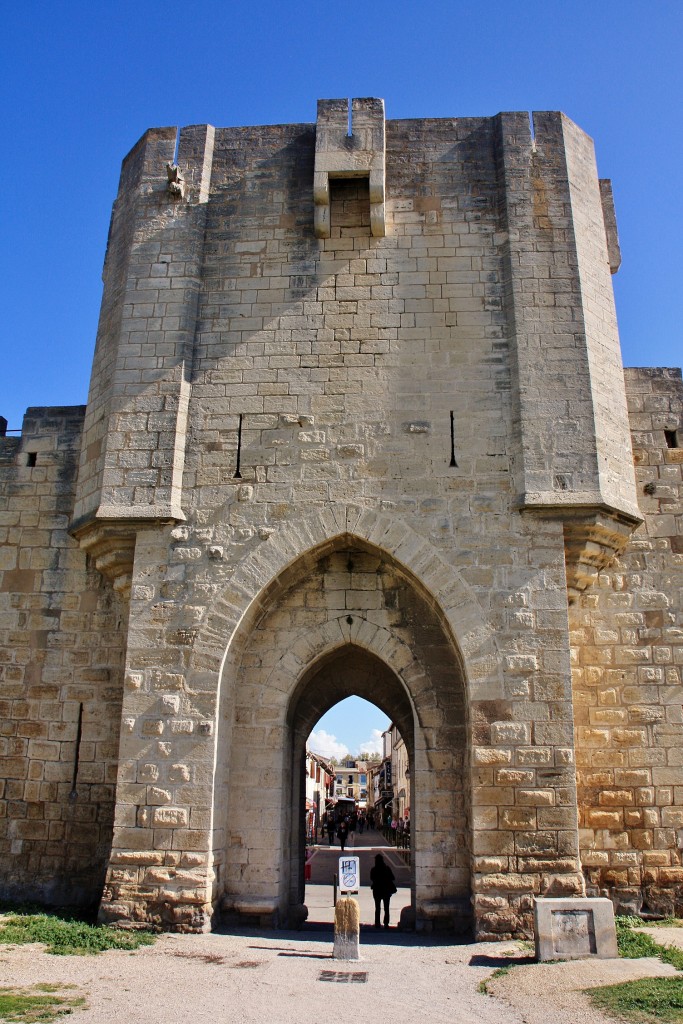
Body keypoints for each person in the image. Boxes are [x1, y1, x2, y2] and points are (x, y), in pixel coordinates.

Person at [370, 853, 396, 929]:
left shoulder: (373, 869)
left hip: (377, 890)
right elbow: (393, 878)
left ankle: (377, 923)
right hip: (386, 890)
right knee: (386, 908)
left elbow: (371, 878)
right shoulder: (387, 868)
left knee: (377, 908)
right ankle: (386, 923)